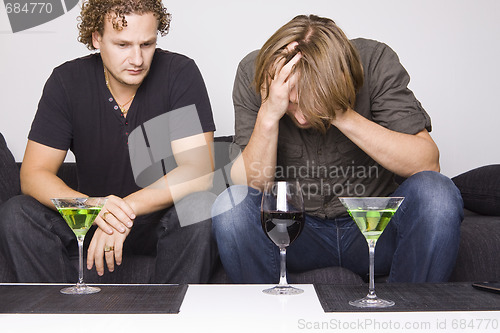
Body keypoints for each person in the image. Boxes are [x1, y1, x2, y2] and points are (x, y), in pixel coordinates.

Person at [211, 14, 464, 283]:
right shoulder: (256, 73)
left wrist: (339, 112)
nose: (301, 118)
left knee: (437, 194)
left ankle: (404, 314)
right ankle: (272, 318)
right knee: (230, 207)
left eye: (312, 104)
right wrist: (270, 114)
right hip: (296, 233)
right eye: (292, 104)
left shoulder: (375, 62)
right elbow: (249, 187)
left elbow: (427, 163)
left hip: (372, 226)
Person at [0, 0, 217, 283]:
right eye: (123, 45)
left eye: (147, 44)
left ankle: (170, 321)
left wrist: (123, 210)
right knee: (17, 213)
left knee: (199, 208)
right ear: (96, 38)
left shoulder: (180, 73)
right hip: (91, 218)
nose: (137, 59)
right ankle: (58, 319)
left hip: (160, 223)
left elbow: (199, 171)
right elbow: (32, 175)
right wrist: (94, 207)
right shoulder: (67, 81)